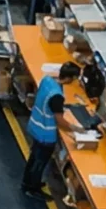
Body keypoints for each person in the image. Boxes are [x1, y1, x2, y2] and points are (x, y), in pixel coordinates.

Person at [24, 60, 65, 196]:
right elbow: (60, 120)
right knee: (40, 163)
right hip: (46, 135)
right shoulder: (57, 96)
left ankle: (27, 182)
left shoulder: (47, 80)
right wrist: (78, 130)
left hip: (36, 125)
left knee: (34, 158)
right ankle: (33, 189)